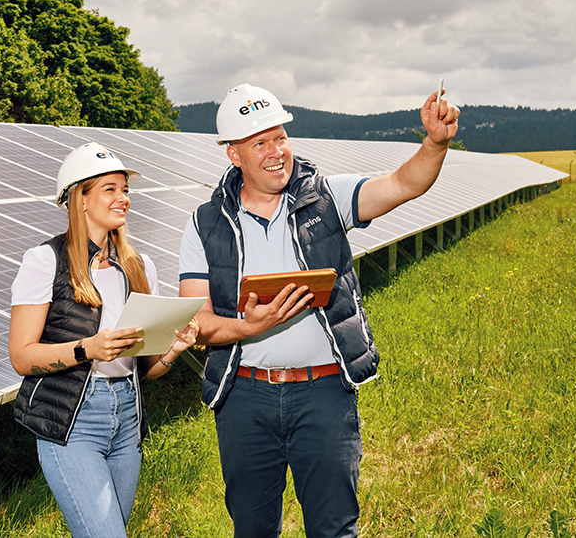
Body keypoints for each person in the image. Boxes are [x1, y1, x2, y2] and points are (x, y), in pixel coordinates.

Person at [179, 83, 460, 538]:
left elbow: (404, 184)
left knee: (333, 529)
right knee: (252, 529)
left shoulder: (326, 198)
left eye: (280, 138)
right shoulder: (205, 223)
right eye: (260, 143)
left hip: (324, 393)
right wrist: (247, 327)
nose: (276, 152)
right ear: (234, 155)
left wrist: (434, 143)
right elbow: (197, 321)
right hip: (245, 400)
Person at [9, 141, 199, 538]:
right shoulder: (45, 261)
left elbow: (146, 368)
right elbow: (22, 357)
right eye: (110, 189)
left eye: (125, 189)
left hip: (127, 417)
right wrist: (86, 349)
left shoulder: (138, 265)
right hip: (72, 423)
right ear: (79, 199)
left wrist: (174, 349)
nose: (123, 198)